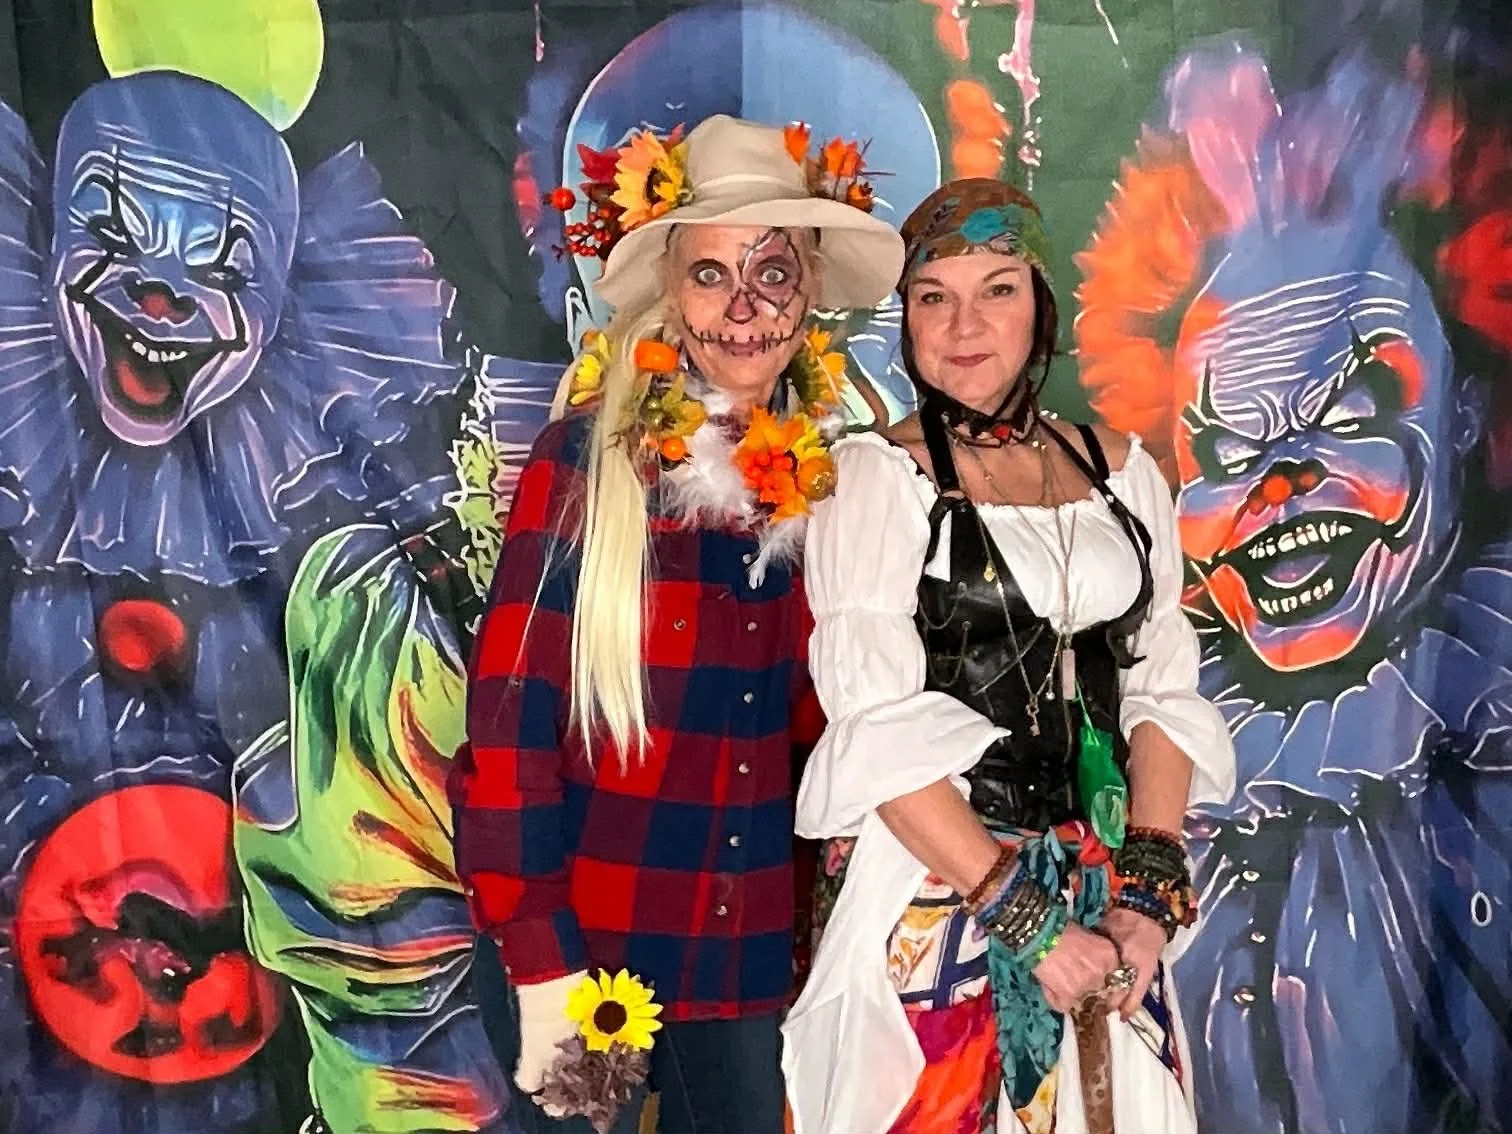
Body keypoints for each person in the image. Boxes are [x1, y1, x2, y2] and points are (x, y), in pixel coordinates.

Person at [449, 114, 903, 1134]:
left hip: (739, 967)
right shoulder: (584, 466)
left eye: (773, 274)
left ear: (809, 298)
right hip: (584, 953)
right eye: (711, 276)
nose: (743, 309)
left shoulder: (829, 490)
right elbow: (508, 731)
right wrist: (538, 962)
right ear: (670, 294)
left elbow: (820, 731)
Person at [782, 179, 1237, 1133]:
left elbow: (1161, 685)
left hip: (1107, 887)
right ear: (904, 318)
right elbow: (876, 735)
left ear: (1041, 305)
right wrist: (1022, 918)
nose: (963, 324)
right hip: (940, 884)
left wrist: (1148, 894)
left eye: (997, 289)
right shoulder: (876, 479)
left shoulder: (1121, 472)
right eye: (932, 296)